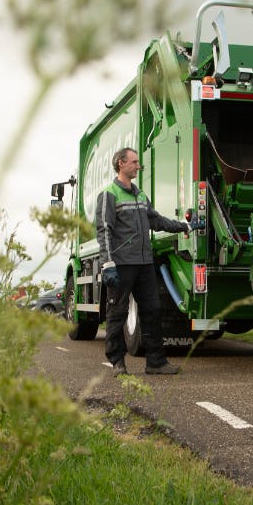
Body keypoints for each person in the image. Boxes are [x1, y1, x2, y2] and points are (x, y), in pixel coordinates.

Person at [96, 147, 205, 375]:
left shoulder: (141, 195)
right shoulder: (109, 194)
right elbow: (105, 231)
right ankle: (117, 362)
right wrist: (108, 264)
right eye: (134, 162)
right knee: (118, 312)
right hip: (122, 264)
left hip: (145, 263)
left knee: (153, 310)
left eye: (138, 162)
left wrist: (184, 226)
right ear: (121, 164)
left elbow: (156, 221)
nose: (138, 166)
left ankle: (156, 362)